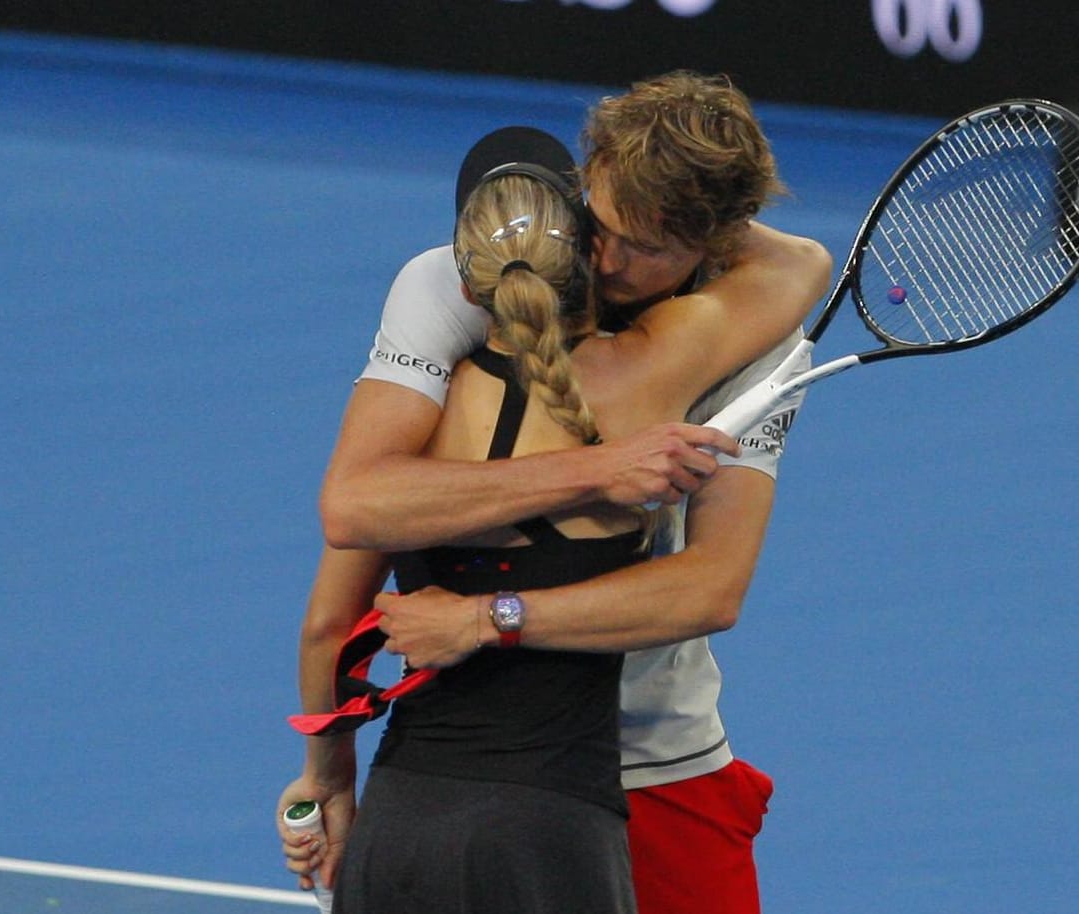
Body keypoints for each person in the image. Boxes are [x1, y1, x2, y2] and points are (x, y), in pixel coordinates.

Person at [277, 72, 832, 914]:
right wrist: (598, 469)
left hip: (655, 761)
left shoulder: (757, 346)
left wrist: (486, 620)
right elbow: (357, 508)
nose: (607, 262)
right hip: (470, 770)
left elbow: (708, 589)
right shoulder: (450, 282)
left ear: (717, 242)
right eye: (600, 224)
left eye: (648, 247)